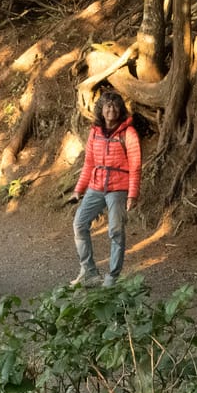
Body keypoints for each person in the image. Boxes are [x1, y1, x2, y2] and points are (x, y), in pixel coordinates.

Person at [69, 90, 141, 288]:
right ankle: (89, 272)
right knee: (79, 224)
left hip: (118, 188)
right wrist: (79, 189)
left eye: (115, 105)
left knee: (116, 231)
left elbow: (135, 165)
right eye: (107, 105)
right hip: (96, 186)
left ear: (120, 109)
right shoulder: (95, 132)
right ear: (101, 109)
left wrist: (132, 194)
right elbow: (89, 162)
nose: (111, 109)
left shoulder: (129, 133)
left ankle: (112, 277)